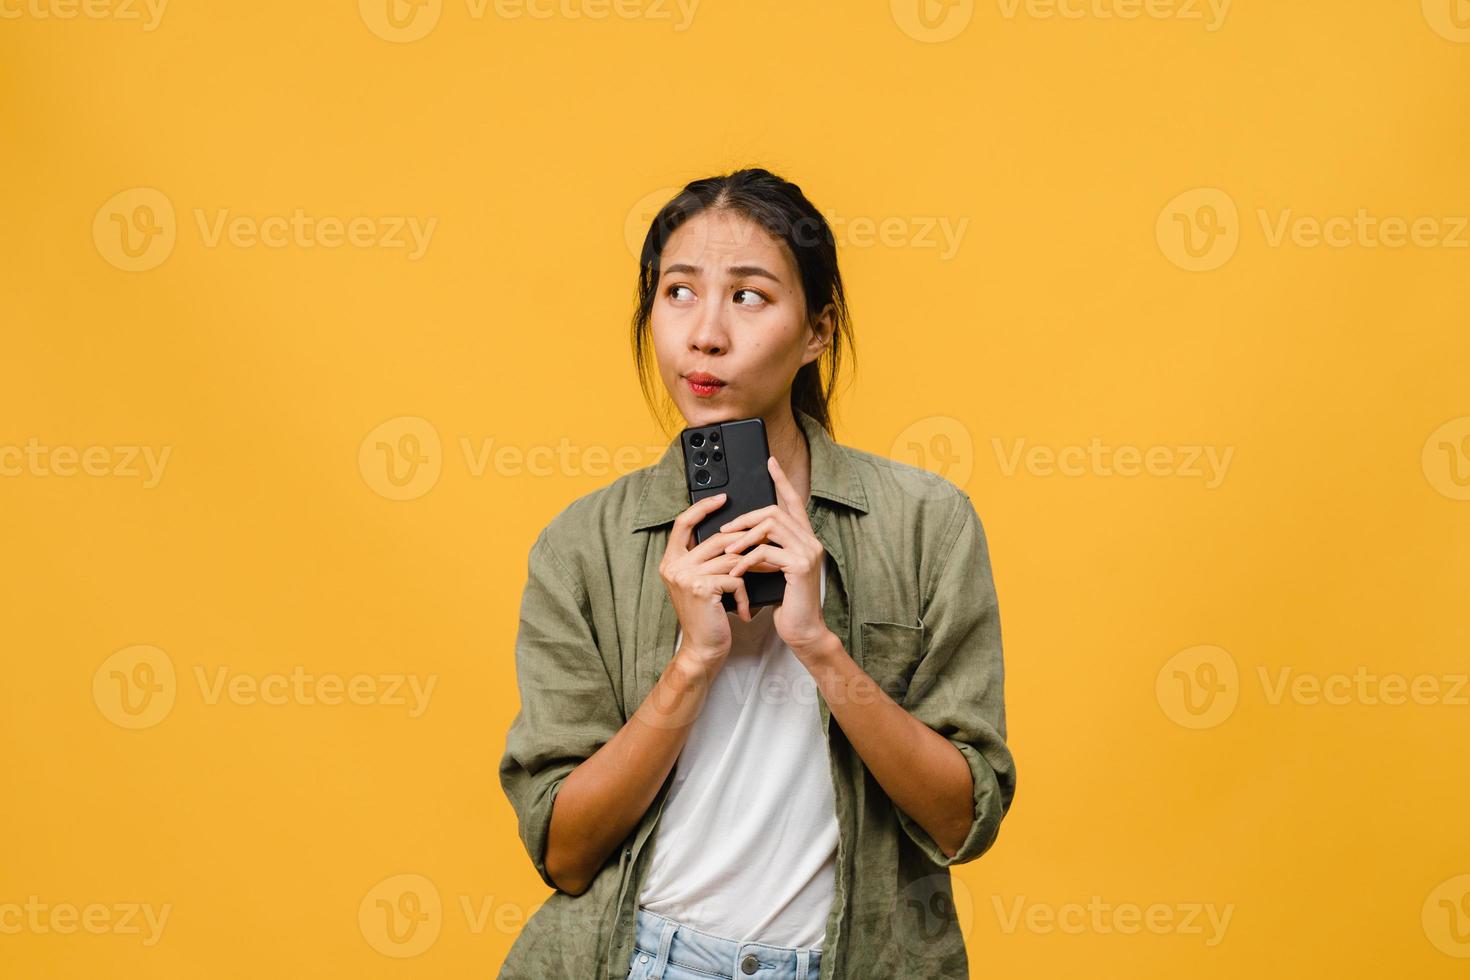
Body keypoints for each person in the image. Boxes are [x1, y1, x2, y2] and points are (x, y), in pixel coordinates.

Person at [498, 168, 1017, 979]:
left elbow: (962, 821)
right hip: (641, 959)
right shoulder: (582, 546)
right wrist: (694, 662)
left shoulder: (925, 524)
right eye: (678, 292)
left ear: (817, 330)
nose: (705, 335)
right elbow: (563, 852)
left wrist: (818, 645)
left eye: (748, 296)